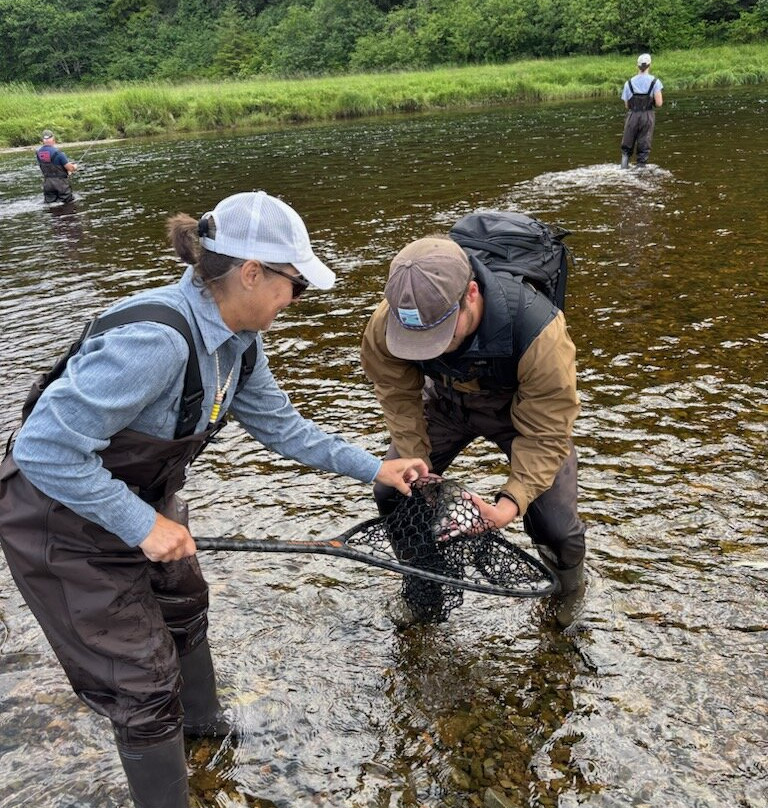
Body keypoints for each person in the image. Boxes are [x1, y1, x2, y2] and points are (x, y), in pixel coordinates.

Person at [0, 190, 428, 808]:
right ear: (251, 273)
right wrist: (141, 524)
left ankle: (205, 736)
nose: (294, 301)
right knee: (140, 681)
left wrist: (374, 468)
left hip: (139, 497)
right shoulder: (158, 341)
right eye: (294, 286)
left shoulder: (238, 340)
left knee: (184, 601)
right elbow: (43, 449)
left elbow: (283, 427)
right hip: (56, 519)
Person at [360, 236, 586, 623]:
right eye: (416, 342)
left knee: (557, 527)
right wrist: (418, 462)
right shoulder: (389, 321)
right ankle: (425, 588)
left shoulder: (539, 332)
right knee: (393, 490)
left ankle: (567, 592)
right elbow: (397, 394)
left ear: (472, 294)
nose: (430, 349)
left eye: (441, 334)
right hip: (444, 403)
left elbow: (546, 431)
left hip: (516, 412)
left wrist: (509, 503)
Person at [620, 53, 663, 168]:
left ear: (637, 66)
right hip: (647, 116)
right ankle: (641, 173)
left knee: (626, 149)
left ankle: (623, 172)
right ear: (649, 65)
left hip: (632, 115)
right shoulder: (655, 82)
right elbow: (659, 103)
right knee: (643, 148)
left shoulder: (628, 83)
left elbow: (626, 105)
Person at [35, 129, 78, 203]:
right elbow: (70, 168)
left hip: (47, 184)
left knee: (51, 206)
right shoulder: (58, 153)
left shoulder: (38, 153)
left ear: (42, 141)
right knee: (68, 205)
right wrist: (74, 167)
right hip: (61, 185)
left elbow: (48, 165)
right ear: (53, 140)